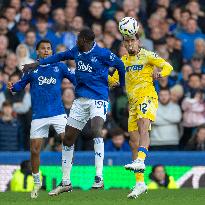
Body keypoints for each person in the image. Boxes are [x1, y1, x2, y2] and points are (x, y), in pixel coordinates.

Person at [22, 28, 125, 195]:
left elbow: (120, 64)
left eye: (79, 38)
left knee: (96, 129)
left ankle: (99, 176)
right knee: (68, 139)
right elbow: (59, 56)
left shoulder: (103, 53)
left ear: (86, 40)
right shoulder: (76, 51)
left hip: (98, 97)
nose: (76, 41)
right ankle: (66, 182)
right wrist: (37, 63)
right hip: (80, 100)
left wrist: (120, 82)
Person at [8, 39, 76, 199]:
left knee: (67, 141)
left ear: (52, 52)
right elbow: (19, 85)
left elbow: (75, 80)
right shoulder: (32, 70)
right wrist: (12, 87)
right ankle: (37, 181)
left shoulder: (60, 66)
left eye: (49, 49)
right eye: (43, 49)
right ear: (37, 52)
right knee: (35, 150)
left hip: (58, 113)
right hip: (39, 115)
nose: (46, 51)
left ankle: (66, 180)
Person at [110, 32, 173, 198]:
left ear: (138, 41)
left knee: (144, 126)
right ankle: (139, 183)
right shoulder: (122, 61)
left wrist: (159, 74)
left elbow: (168, 67)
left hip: (147, 97)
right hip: (132, 104)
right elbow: (113, 79)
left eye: (132, 40)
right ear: (124, 44)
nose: (130, 44)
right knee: (133, 142)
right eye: (127, 41)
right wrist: (106, 79)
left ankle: (140, 160)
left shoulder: (148, 55)